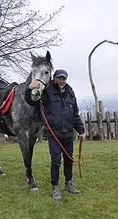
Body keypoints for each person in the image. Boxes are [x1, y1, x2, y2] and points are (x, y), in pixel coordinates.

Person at [25, 69, 85, 201]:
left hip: (68, 133)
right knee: (56, 161)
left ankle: (69, 184)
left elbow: (75, 113)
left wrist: (81, 130)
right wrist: (28, 89)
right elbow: (31, 101)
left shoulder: (70, 92)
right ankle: (55, 187)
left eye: (64, 79)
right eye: (60, 78)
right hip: (54, 133)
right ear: (55, 78)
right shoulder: (47, 91)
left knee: (69, 160)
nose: (62, 81)